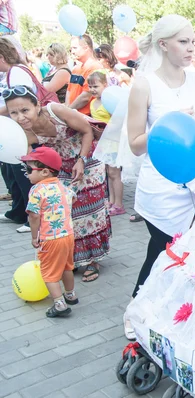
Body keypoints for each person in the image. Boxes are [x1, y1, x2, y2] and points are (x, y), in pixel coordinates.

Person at [126, 14, 195, 339]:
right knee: (162, 250)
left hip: (194, 183)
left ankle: (174, 309)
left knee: (188, 252)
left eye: (194, 42)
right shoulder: (144, 84)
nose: (191, 48)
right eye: (183, 42)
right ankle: (136, 309)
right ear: (164, 45)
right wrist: (166, 123)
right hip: (160, 187)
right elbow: (134, 144)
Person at [4, 85, 111, 282]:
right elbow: (29, 159)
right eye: (14, 113)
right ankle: (76, 257)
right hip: (62, 166)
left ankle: (93, 260)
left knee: (90, 210)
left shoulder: (56, 111)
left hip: (87, 158)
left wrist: (81, 160)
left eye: (25, 110)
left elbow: (87, 131)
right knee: (69, 211)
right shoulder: (22, 132)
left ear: (37, 106)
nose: (21, 117)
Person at [21, 146, 78, 318]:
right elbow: (72, 198)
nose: (26, 173)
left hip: (50, 239)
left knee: (49, 273)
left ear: (45, 171)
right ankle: (71, 295)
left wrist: (34, 237)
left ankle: (59, 304)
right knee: (67, 267)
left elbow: (33, 216)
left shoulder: (37, 190)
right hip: (68, 235)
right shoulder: (63, 186)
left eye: (29, 169)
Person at [0, 36, 42, 233]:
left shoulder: (16, 73)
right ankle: (19, 211)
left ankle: (31, 216)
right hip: (17, 129)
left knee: (24, 172)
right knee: (15, 173)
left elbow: (20, 103)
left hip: (24, 130)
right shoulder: (15, 71)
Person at [87, 71, 126, 217]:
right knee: (108, 173)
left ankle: (119, 203)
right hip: (102, 141)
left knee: (115, 173)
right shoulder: (92, 102)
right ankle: (111, 200)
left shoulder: (109, 101)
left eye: (95, 86)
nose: (92, 89)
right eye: (90, 86)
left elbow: (118, 120)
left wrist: (108, 129)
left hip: (113, 141)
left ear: (105, 85)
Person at [66, 34, 103, 116]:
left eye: (75, 48)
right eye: (71, 49)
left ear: (86, 48)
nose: (72, 51)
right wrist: (67, 110)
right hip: (73, 114)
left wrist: (67, 111)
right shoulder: (76, 68)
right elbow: (69, 91)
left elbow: (86, 97)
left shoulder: (95, 67)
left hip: (86, 116)